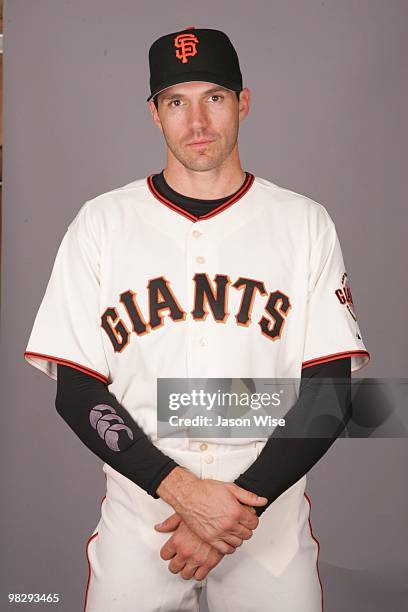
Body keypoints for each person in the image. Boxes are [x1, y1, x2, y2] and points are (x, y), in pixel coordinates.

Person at [24, 26, 370, 612]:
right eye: (176, 101)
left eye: (214, 97)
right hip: (143, 523)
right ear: (154, 115)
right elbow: (77, 389)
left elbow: (330, 393)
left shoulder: (303, 223)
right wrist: (183, 493)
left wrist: (236, 511)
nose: (198, 121)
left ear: (244, 102)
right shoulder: (101, 224)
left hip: (268, 527)